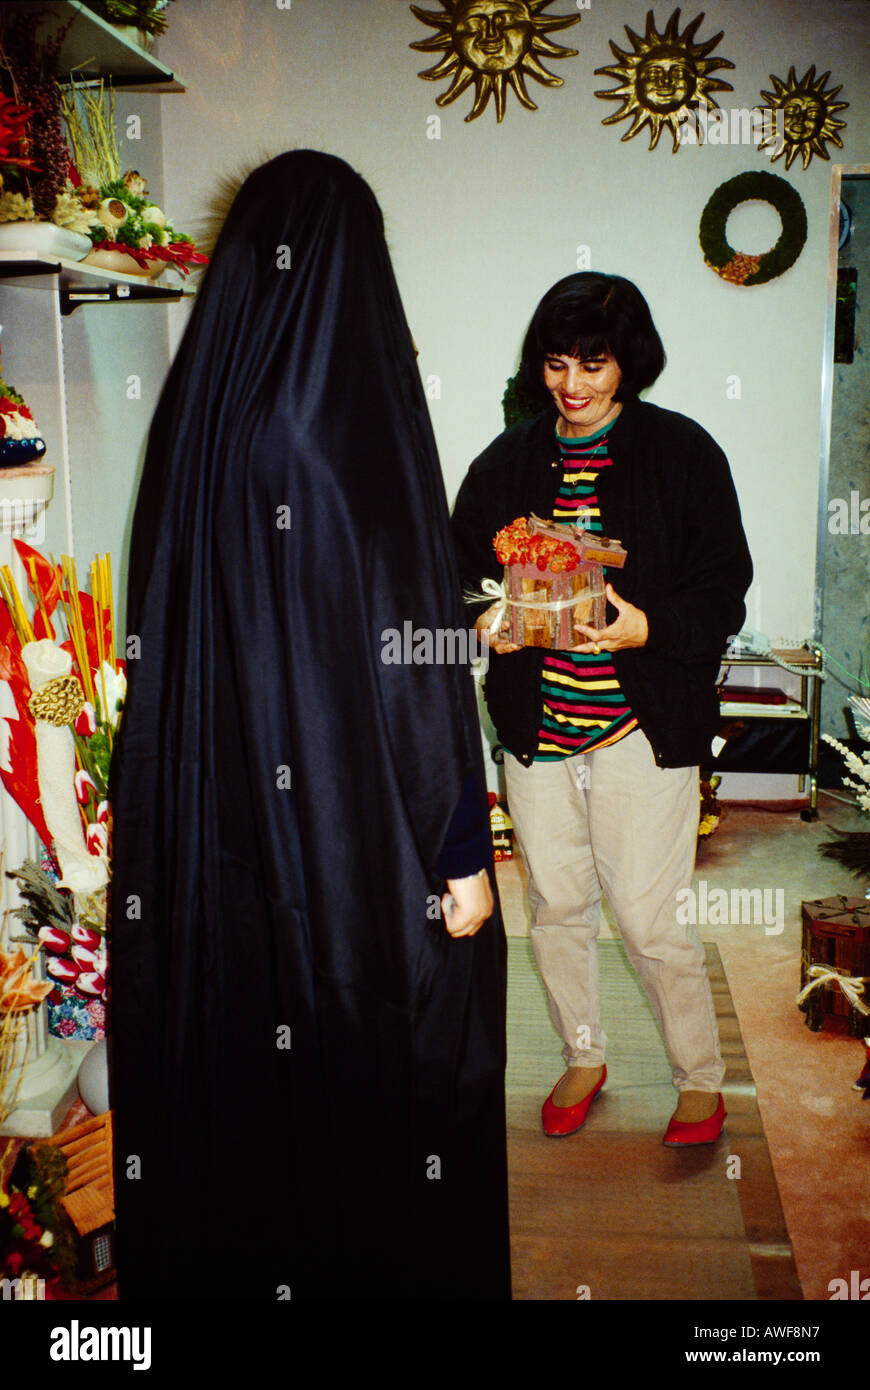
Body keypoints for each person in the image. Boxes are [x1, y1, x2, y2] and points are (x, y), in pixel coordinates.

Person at [109, 150, 510, 1300]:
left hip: (220, 821)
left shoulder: (200, 417)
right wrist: (459, 844)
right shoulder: (347, 427)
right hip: (353, 829)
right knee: (393, 1065)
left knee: (253, 1066)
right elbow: (407, 654)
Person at [451, 272, 753, 1145]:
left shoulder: (684, 454)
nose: (572, 385)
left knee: (652, 921)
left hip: (640, 729)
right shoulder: (505, 462)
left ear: (629, 364)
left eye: (593, 364)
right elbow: (453, 571)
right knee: (555, 909)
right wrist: (487, 620)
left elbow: (723, 590)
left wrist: (645, 627)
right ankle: (584, 1056)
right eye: (556, 364)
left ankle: (700, 1079)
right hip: (536, 732)